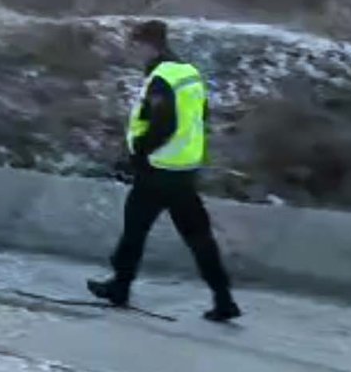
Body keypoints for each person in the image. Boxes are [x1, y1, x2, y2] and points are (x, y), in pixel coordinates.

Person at [88, 20, 242, 322]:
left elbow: (163, 123)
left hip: (157, 170)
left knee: (134, 229)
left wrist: (139, 153)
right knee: (198, 236)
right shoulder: (189, 73)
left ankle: (120, 288)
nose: (133, 52)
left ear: (148, 44)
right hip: (184, 170)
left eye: (135, 45)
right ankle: (224, 299)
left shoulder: (161, 78)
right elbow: (201, 115)